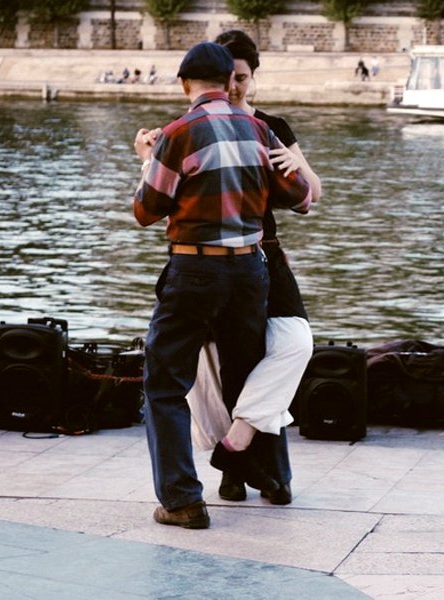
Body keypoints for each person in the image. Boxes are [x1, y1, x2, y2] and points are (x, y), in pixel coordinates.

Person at [132, 41, 312, 529]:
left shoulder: (179, 133)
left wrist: (148, 160)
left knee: (165, 382)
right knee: (245, 370)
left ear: (185, 82)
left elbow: (146, 210)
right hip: (250, 270)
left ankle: (182, 500)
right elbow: (300, 197)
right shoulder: (259, 130)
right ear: (225, 80)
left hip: (195, 268)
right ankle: (271, 478)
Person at [187, 29, 322, 506]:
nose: (236, 87)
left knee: (294, 343)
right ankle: (249, 473)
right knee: (232, 362)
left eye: (242, 78)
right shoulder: (200, 124)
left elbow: (313, 195)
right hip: (219, 258)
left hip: (267, 251)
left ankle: (238, 445)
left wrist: (295, 167)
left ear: (252, 77)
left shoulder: (271, 126)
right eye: (229, 78)